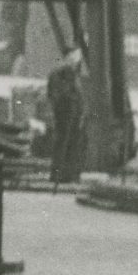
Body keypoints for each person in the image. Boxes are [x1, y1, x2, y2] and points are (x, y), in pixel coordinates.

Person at [45, 45, 87, 183]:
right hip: (65, 113)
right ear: (68, 57)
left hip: (72, 113)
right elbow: (57, 94)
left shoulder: (71, 73)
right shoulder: (61, 74)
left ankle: (68, 175)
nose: (77, 60)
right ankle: (59, 175)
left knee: (71, 144)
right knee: (63, 143)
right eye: (75, 57)